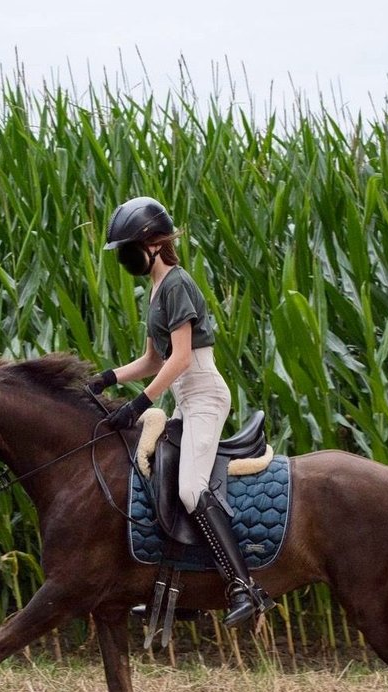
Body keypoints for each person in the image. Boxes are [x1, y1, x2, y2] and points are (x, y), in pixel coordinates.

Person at [88, 196, 273, 627]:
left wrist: (141, 402)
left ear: (153, 242)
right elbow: (153, 359)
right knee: (159, 478)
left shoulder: (177, 283)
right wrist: (108, 378)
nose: (126, 258)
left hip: (204, 394)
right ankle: (184, 588)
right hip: (186, 398)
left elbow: (183, 357)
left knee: (191, 489)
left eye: (129, 247)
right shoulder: (155, 290)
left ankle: (244, 588)